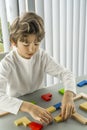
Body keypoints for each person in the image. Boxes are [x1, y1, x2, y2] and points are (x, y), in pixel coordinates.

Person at [0, 12, 76, 125]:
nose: (31, 49)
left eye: (36, 43)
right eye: (26, 44)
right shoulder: (7, 63)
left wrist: (69, 95)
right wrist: (29, 107)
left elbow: (66, 73)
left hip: (40, 102)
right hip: (18, 108)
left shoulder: (41, 56)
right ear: (13, 42)